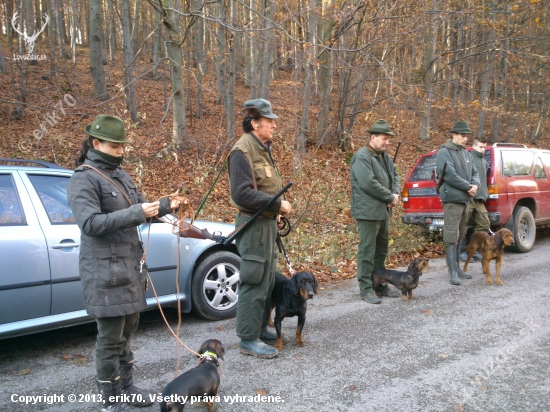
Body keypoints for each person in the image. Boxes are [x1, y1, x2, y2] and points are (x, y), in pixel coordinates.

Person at [67, 115, 180, 411]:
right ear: (96, 143)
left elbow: (143, 210)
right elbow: (89, 223)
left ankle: (127, 386)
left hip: (128, 269)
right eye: (115, 146)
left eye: (122, 146)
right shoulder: (84, 177)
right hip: (104, 274)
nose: (121, 151)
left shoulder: (122, 175)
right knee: (110, 337)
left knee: (128, 330)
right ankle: (110, 397)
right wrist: (137, 212)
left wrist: (166, 205)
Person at [228, 99, 292, 359]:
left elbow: (263, 188)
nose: (274, 125)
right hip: (252, 227)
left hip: (266, 224)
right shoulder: (243, 150)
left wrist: (275, 213)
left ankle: (260, 328)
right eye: (269, 121)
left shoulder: (262, 148)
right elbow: (242, 194)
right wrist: (278, 204)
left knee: (266, 281)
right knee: (254, 282)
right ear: (254, 123)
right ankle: (247, 338)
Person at [350, 119, 401, 304]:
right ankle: (365, 288)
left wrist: (395, 193)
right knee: (367, 251)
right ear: (373, 137)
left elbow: (395, 175)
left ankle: (380, 284)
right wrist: (389, 197)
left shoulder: (383, 156)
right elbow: (368, 183)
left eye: (388, 139)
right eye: (384, 138)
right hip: (367, 212)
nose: (387, 142)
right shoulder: (362, 157)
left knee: (381, 250)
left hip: (383, 211)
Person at [435, 120, 480, 285]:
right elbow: (449, 175)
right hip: (452, 200)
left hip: (465, 200)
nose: (465, 138)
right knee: (450, 235)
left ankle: (457, 267)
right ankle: (452, 271)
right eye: (462, 135)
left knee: (461, 234)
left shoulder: (466, 153)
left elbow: (475, 172)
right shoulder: (444, 152)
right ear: (454, 134)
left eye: (467, 136)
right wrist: (468, 186)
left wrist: (475, 185)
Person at [459, 137, 490, 262]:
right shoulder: (468, 158)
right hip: (468, 198)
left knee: (484, 223)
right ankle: (460, 252)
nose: (483, 150)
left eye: (484, 147)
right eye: (480, 147)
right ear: (474, 146)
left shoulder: (484, 162)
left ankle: (473, 249)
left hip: (480, 200)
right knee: (462, 225)